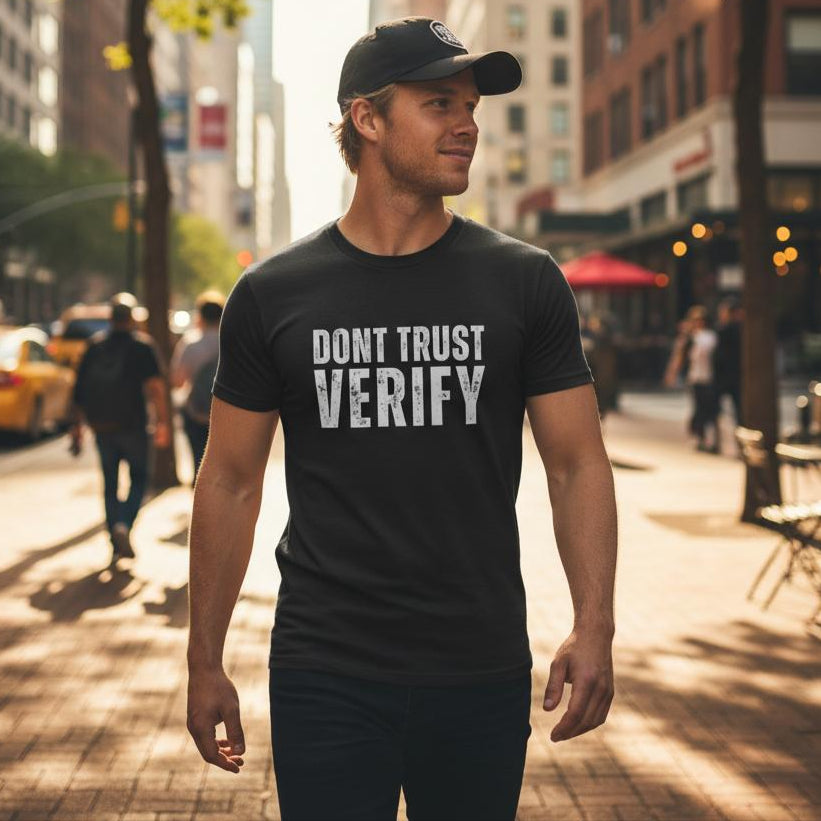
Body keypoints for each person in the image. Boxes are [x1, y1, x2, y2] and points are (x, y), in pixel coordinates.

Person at [186, 17, 617, 821]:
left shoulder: (525, 282)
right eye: (439, 103)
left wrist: (595, 626)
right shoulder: (274, 294)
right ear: (368, 118)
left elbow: (576, 463)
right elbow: (232, 478)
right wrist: (202, 658)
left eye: (472, 106)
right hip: (325, 665)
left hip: (478, 663)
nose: (467, 125)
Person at [71, 293, 171, 563]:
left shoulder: (94, 346)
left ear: (111, 319)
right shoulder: (142, 346)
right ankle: (124, 525)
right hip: (135, 426)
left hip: (102, 426)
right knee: (140, 478)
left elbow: (78, 390)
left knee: (110, 484)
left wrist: (77, 427)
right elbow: (157, 389)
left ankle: (115, 540)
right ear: (132, 318)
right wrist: (162, 422)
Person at [171, 291, 224, 483]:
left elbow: (178, 379)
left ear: (200, 315)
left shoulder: (191, 343)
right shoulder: (231, 341)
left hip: (196, 411)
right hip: (226, 411)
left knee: (199, 460)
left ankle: (200, 493)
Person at [714, 297, 743, 427]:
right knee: (739, 410)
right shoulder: (739, 329)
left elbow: (718, 355)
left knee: (716, 409)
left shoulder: (723, 330)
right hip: (735, 374)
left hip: (724, 375)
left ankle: (716, 439)